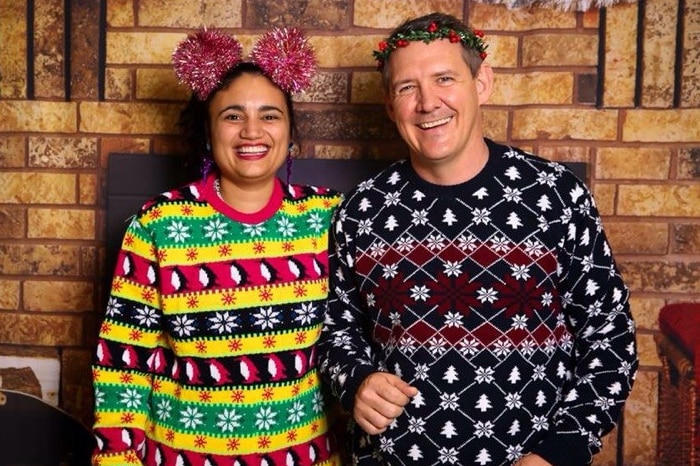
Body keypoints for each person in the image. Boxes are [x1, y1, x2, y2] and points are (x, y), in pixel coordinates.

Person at [317, 11, 638, 466]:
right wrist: (356, 381)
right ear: (391, 105)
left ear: (481, 82)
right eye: (408, 88)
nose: (428, 103)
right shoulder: (361, 210)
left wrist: (558, 452)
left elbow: (611, 337)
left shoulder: (554, 194)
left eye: (444, 78)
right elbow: (335, 331)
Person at [91, 27, 343, 466]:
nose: (251, 131)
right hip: (180, 456)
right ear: (208, 132)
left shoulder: (327, 216)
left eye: (269, 115)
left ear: (289, 129)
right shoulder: (160, 224)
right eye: (232, 115)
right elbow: (122, 363)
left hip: (302, 456)